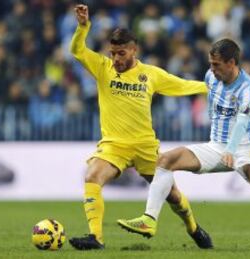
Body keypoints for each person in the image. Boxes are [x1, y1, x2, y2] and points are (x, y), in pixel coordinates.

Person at [117, 39, 250, 252]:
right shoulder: (211, 77)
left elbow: (242, 122)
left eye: (216, 64)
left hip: (244, 147)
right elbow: (213, 106)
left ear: (231, 63)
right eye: (210, 63)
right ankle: (149, 219)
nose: (211, 69)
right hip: (216, 146)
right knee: (165, 160)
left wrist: (230, 150)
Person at [68, 4, 212, 250]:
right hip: (114, 145)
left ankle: (194, 228)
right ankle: (96, 238)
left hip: (146, 147)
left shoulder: (150, 74)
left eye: (121, 53)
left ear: (134, 50)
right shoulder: (103, 68)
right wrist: (83, 27)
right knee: (92, 175)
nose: (116, 59)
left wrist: (213, 88)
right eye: (113, 53)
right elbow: (77, 50)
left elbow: (182, 86)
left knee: (173, 196)